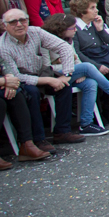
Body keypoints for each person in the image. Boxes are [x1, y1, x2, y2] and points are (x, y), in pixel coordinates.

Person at [0, 8, 84, 146]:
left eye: (22, 20)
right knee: (31, 92)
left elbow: (64, 47)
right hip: (22, 79)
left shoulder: (36, 32)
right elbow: (15, 77)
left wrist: (67, 75)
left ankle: (62, 132)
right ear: (5, 26)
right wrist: (49, 80)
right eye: (13, 22)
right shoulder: (2, 46)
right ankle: (38, 139)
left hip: (40, 72)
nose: (19, 24)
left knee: (64, 87)